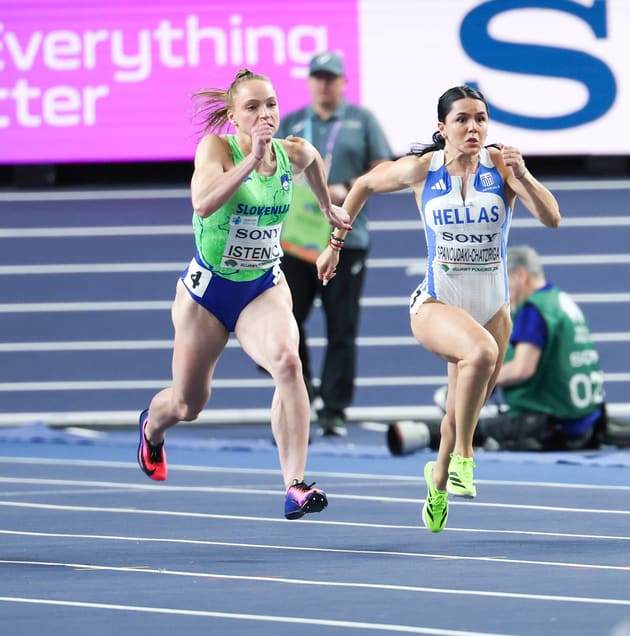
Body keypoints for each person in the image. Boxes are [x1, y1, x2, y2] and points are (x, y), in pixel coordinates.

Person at [317, 85, 561, 532]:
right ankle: (466, 457)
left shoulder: (501, 168)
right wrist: (334, 245)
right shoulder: (421, 170)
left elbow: (552, 218)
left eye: (480, 119)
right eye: (462, 119)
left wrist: (523, 176)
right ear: (442, 128)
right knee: (481, 353)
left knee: (458, 411)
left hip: (492, 308)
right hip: (437, 300)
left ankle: (438, 482)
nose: (473, 127)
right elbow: (364, 185)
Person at [136, 68, 351, 521]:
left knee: (288, 362)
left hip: (261, 286)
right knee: (188, 404)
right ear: (234, 117)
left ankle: (294, 484)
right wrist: (251, 160)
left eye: (270, 104)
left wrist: (326, 205)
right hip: (208, 294)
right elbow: (203, 202)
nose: (264, 114)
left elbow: (313, 159)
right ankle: (152, 430)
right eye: (252, 107)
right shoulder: (216, 149)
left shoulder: (291, 152)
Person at [396, 245, 630, 454]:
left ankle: (422, 435)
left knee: (470, 427)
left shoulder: (534, 309)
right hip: (585, 420)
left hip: (551, 423)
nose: (503, 291)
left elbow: (523, 369)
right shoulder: (559, 300)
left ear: (521, 276)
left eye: (505, 281)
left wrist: (473, 382)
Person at [275, 51, 393, 437]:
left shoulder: (362, 121)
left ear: (343, 82)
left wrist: (349, 186)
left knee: (342, 325)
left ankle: (334, 409)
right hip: (296, 240)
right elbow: (269, 166)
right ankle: (302, 391)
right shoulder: (293, 122)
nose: (324, 84)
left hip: (347, 236)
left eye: (331, 78)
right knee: (284, 319)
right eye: (318, 77)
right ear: (310, 81)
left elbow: (384, 168)